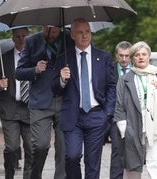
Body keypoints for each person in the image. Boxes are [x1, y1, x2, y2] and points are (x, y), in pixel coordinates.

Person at [52, 18, 116, 179]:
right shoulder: (63, 58)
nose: (84, 36)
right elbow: (55, 89)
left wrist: (107, 113)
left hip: (97, 116)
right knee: (72, 156)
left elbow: (112, 86)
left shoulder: (104, 57)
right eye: (80, 32)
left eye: (87, 32)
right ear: (72, 35)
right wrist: (62, 79)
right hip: (73, 117)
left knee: (92, 162)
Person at [15, 25, 74, 179]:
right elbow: (18, 72)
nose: (51, 34)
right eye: (48, 30)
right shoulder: (31, 41)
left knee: (63, 149)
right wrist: (34, 70)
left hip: (64, 100)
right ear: (42, 26)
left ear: (60, 28)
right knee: (40, 146)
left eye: (54, 30)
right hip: (40, 102)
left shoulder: (69, 39)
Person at [113, 41, 157, 179]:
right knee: (133, 165)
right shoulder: (125, 79)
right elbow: (119, 106)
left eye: (144, 54)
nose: (141, 57)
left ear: (149, 56)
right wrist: (125, 131)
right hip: (133, 127)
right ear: (132, 58)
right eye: (137, 55)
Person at [0, 27, 32, 179]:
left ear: (29, 37)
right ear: (13, 38)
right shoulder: (4, 58)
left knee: (31, 147)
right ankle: (9, 174)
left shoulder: (35, 57)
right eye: (18, 36)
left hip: (30, 109)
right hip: (10, 109)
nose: (21, 39)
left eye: (24, 36)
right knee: (12, 147)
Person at [107, 41, 132, 179]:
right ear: (116, 55)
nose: (124, 59)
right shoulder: (109, 68)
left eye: (127, 56)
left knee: (132, 152)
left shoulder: (137, 70)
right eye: (121, 55)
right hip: (114, 116)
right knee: (117, 150)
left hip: (133, 117)